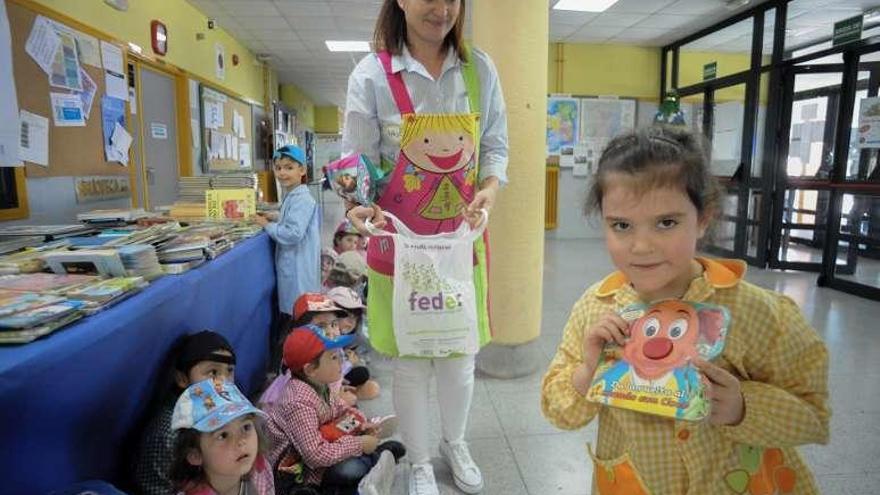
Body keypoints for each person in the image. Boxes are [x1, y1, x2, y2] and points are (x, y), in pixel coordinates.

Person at [541, 126, 830, 494]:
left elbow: (813, 417)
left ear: (704, 217)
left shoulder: (759, 314)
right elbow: (558, 410)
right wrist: (587, 372)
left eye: (666, 222)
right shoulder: (595, 309)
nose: (641, 246)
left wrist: (743, 408)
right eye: (622, 226)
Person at [342, 1, 508, 493]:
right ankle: (418, 460)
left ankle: (453, 443)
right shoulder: (372, 75)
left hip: (460, 244)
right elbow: (357, 163)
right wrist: (357, 205)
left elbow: (495, 144)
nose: (443, 9)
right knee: (411, 362)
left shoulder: (479, 69)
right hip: (399, 246)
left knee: (460, 357)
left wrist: (491, 188)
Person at [265, 325, 405, 495]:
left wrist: (362, 424)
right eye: (333, 357)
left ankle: (374, 461)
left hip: (327, 446)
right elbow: (315, 456)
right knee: (350, 469)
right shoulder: (297, 403)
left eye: (339, 354)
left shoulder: (319, 385)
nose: (341, 360)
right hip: (300, 472)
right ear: (310, 370)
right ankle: (374, 462)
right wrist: (359, 444)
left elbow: (343, 410)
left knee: (354, 461)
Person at [132, 331, 237, 495]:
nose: (223, 382)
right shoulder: (169, 433)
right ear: (182, 379)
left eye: (229, 371)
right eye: (213, 373)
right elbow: (156, 490)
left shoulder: (225, 408)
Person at [255, 144, 321, 368]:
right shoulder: (293, 196)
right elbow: (291, 218)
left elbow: (293, 234)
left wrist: (266, 225)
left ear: (302, 171)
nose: (282, 172)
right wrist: (275, 216)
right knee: (294, 317)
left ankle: (292, 367)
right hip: (295, 270)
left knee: (296, 321)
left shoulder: (302, 199)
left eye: (289, 167)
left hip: (297, 272)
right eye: (278, 167)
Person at [169, 378, 274, 495]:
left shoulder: (261, 471)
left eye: (246, 427)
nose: (241, 441)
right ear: (195, 455)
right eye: (223, 435)